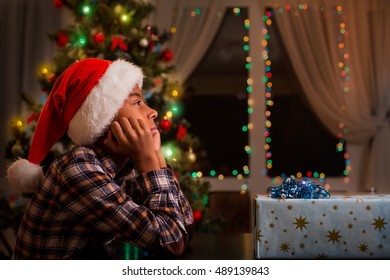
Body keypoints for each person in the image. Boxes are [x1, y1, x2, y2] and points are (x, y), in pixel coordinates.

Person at [7, 58, 194, 259]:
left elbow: (185, 229)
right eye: (137, 102)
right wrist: (149, 161)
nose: (153, 112)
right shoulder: (78, 168)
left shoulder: (122, 165)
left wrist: (156, 157)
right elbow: (172, 243)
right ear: (104, 119)